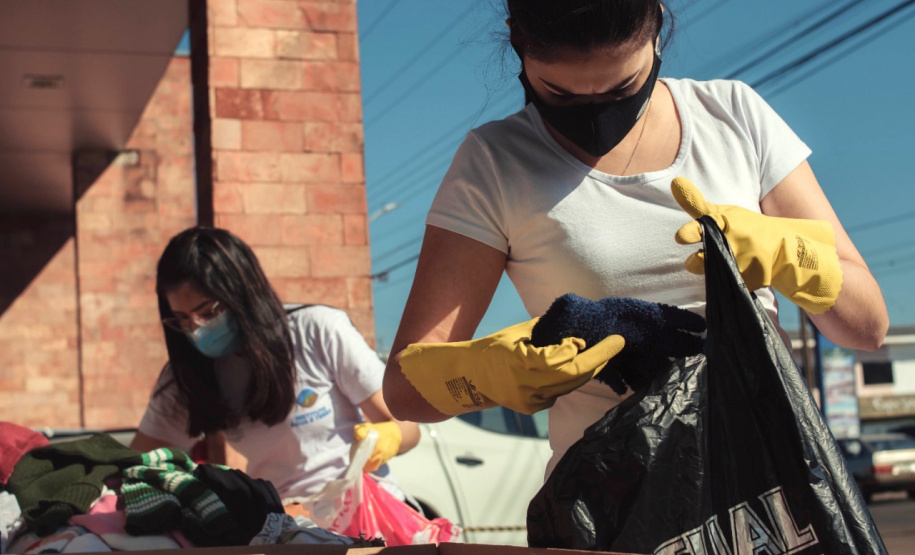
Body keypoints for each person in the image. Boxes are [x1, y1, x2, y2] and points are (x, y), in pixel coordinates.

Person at [382, 0, 889, 480]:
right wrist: (487, 374)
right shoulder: (494, 162)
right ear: (517, 42)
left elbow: (867, 327)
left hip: (773, 483)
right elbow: (405, 393)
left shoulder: (735, 116)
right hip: (615, 508)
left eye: (624, 88)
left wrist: (793, 257)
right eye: (560, 94)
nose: (597, 114)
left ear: (657, 22)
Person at [131, 226, 419, 500]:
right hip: (287, 524)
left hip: (364, 508)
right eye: (181, 319)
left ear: (244, 292)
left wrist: (389, 436)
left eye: (208, 312)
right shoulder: (189, 376)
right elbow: (139, 468)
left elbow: (408, 429)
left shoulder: (317, 331)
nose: (196, 329)